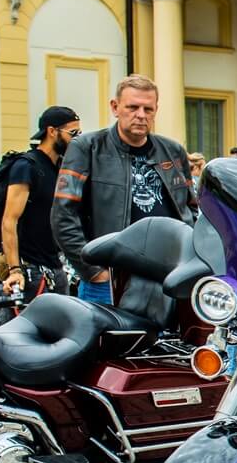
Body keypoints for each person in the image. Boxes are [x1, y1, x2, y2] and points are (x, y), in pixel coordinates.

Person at [51, 75, 193, 305]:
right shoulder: (87, 148)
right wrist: (94, 271)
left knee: (174, 342)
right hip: (111, 279)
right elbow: (63, 216)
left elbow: (190, 210)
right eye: (133, 107)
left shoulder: (173, 151)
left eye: (148, 109)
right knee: (110, 341)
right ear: (115, 107)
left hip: (169, 277)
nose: (141, 115)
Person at [0, 106, 80, 301]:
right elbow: (9, 220)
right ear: (52, 131)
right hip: (30, 270)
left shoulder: (59, 168)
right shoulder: (26, 166)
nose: (76, 139)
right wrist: (15, 270)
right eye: (73, 133)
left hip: (55, 268)